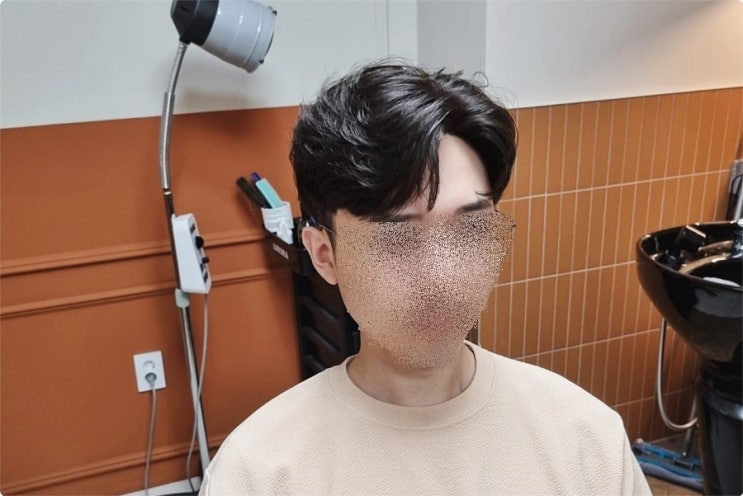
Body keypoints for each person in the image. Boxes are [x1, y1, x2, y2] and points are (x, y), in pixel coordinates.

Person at [199, 62, 651, 495]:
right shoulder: (258, 474)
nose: (443, 277)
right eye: (397, 240)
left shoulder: (586, 441)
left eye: (470, 229)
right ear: (324, 255)